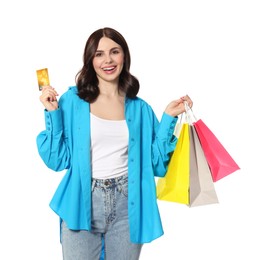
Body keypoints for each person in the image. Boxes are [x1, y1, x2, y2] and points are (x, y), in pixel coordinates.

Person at [36, 27, 193, 260]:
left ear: (124, 56)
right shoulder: (71, 101)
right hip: (80, 203)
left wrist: (168, 118)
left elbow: (157, 165)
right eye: (99, 54)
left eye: (114, 52)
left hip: (127, 207)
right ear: (90, 60)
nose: (107, 60)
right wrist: (52, 113)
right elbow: (57, 160)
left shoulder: (140, 109)